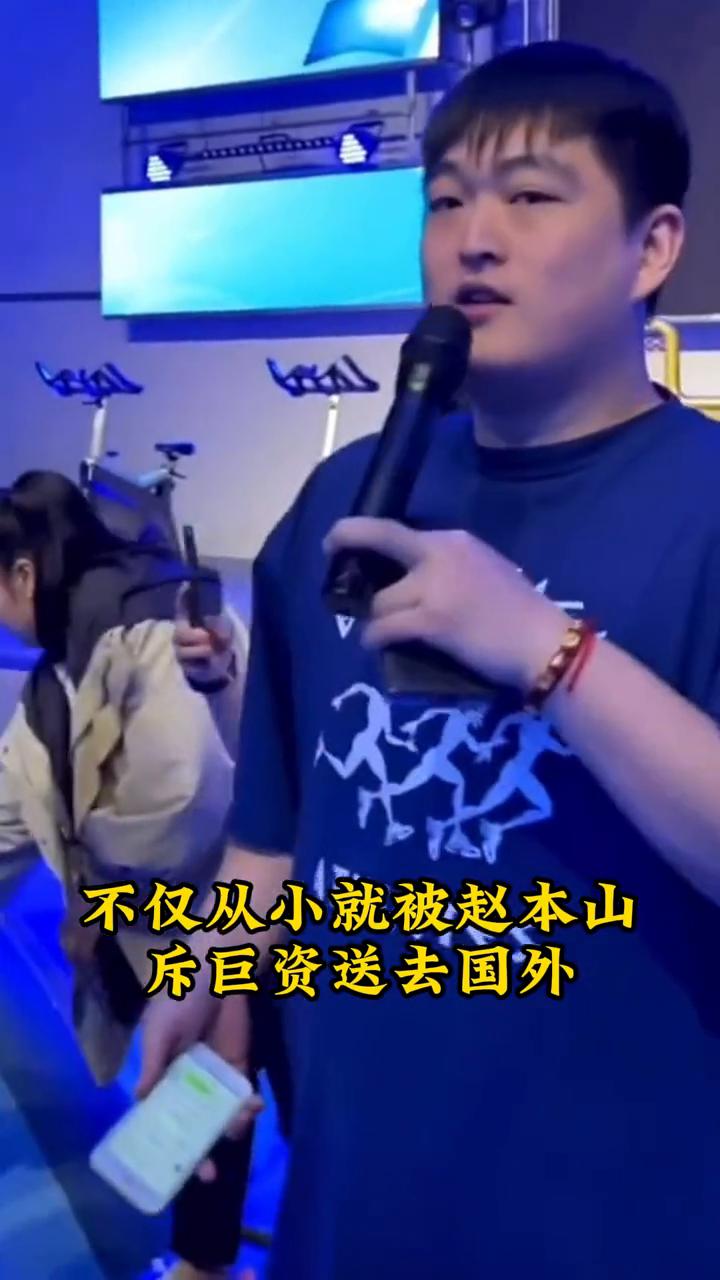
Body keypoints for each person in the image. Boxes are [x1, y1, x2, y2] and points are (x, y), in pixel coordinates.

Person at [139, 40, 720, 1279]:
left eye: (532, 195)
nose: (474, 238)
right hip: (355, 1202)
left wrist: (551, 651)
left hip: (620, 1218)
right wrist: (215, 969)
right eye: (446, 200)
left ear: (653, 248)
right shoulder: (348, 496)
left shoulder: (706, 507)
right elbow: (272, 831)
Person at [0, 470, 252, 1280]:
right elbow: (17, 802)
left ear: (24, 573)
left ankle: (207, 1261)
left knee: (222, 1077)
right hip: (168, 927)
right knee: (200, 1089)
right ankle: (204, 1257)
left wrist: (95, 895)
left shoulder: (153, 632)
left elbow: (187, 802)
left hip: (237, 915)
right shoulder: (59, 672)